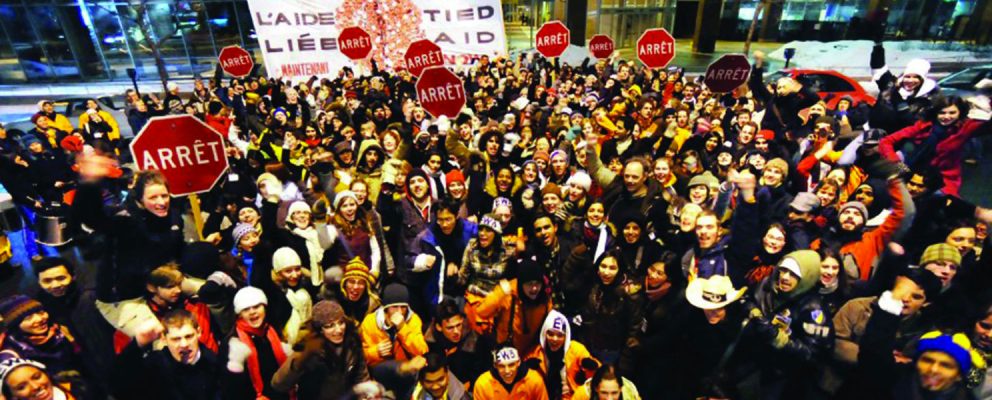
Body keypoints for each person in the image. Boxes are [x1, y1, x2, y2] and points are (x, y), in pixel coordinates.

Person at [112, 310, 224, 400]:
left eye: (189, 336)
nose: (184, 344)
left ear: (198, 332)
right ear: (164, 339)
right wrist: (137, 344)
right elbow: (120, 387)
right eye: (176, 339)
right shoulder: (155, 366)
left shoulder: (215, 364)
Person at [272, 300, 371, 399]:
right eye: (330, 326)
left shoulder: (352, 341)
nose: (339, 330)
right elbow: (278, 384)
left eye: (341, 322)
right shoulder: (307, 350)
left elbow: (361, 375)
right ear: (319, 330)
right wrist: (300, 362)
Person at [358, 283, 429, 395]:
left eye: (403, 307)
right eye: (395, 307)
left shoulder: (413, 320)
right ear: (386, 308)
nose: (400, 312)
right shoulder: (370, 322)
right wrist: (375, 351)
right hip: (380, 373)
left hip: (406, 373)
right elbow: (361, 357)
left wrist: (402, 328)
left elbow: (422, 350)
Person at [225, 286, 292, 400]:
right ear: (239, 314)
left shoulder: (272, 331)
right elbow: (231, 388)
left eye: (256, 306)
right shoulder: (232, 343)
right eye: (246, 309)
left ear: (264, 308)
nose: (252, 312)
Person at [476, 258, 554, 355]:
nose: (534, 288)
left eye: (537, 284)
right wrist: (499, 294)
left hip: (530, 352)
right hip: (505, 351)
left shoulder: (544, 299)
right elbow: (481, 312)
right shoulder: (508, 294)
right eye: (530, 284)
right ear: (521, 284)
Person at [527, 310, 599, 400]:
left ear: (566, 336)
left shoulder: (576, 349)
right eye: (550, 334)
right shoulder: (535, 354)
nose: (555, 339)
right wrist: (525, 371)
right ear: (544, 333)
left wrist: (590, 369)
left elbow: (599, 374)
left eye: (560, 335)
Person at [425, 299, 492, 387]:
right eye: (450, 328)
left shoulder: (476, 342)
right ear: (439, 327)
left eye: (458, 325)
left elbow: (483, 373)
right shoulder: (429, 341)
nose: (456, 331)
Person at [0, 351, 87, 400]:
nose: (35, 386)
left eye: (37, 377)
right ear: (12, 396)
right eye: (21, 387)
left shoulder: (78, 389)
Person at [472, 346, 549, 400]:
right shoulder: (482, 384)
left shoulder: (534, 380)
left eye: (511, 365)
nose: (507, 371)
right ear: (495, 365)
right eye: (501, 366)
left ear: (518, 362)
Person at [571, 363, 643, 400]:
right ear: (596, 389)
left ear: (621, 389)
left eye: (614, 393)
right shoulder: (582, 395)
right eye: (604, 393)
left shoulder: (631, 394)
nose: (609, 398)